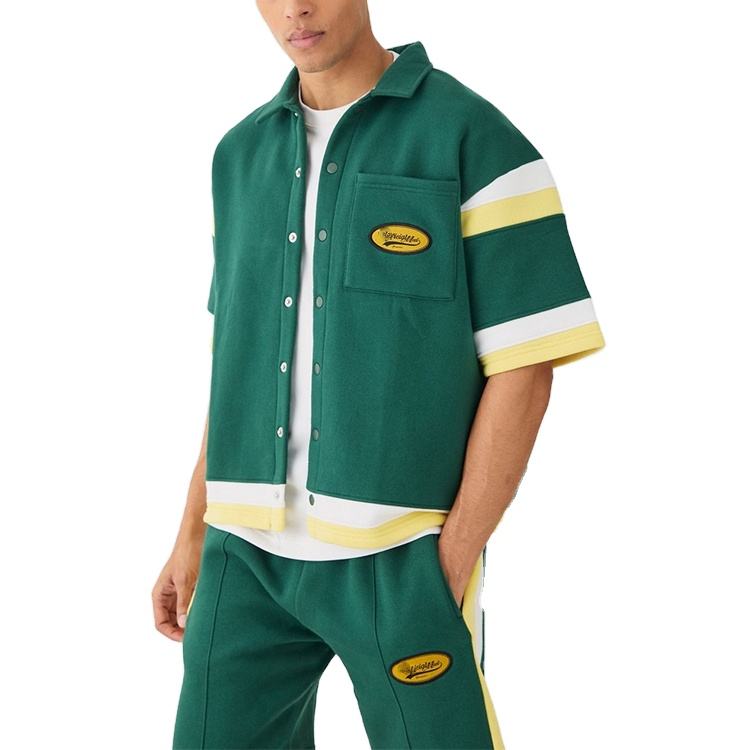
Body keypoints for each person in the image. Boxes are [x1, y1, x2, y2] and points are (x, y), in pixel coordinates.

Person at [152, 2, 606, 748]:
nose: (296, 8)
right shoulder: (238, 155)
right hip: (242, 556)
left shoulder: (476, 139)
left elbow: (526, 367)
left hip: (399, 559)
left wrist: (451, 558)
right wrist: (191, 533)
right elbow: (237, 360)